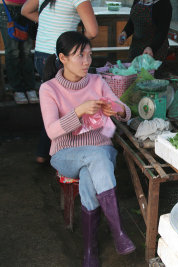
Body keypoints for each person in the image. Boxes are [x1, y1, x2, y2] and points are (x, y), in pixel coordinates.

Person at [39, 31, 135, 267]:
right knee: (97, 156)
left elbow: (124, 109)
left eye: (89, 55)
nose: (86, 62)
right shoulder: (48, 89)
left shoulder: (97, 82)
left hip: (100, 151)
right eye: (80, 56)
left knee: (90, 175)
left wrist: (118, 109)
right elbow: (51, 131)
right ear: (62, 57)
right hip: (65, 155)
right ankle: (118, 232)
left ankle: (90, 251)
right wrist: (80, 111)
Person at [22, 0, 98, 163]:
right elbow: (92, 31)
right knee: (67, 107)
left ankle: (43, 152)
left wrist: (50, 26)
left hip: (41, 55)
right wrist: (75, 45)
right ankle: (61, 156)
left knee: (53, 104)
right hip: (61, 57)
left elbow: (26, 11)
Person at [0, 0, 37, 104]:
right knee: (13, 52)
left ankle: (30, 87)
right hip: (7, 7)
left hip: (28, 7)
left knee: (26, 52)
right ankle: (17, 89)